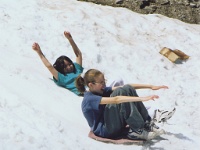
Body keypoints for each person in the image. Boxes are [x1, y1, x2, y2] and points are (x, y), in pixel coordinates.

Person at [75, 69, 170, 140]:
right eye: (101, 82)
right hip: (106, 130)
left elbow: (126, 87)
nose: (104, 84)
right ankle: (137, 130)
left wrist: (151, 86)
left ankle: (146, 122)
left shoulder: (100, 90)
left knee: (126, 88)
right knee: (119, 92)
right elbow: (116, 99)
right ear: (91, 85)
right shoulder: (89, 99)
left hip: (112, 123)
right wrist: (143, 98)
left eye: (104, 81)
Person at [32, 31, 84, 96]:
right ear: (61, 69)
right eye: (65, 67)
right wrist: (39, 52)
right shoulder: (62, 78)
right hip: (85, 93)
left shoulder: (76, 69)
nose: (69, 67)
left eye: (70, 64)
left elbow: (78, 54)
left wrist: (70, 39)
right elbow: (49, 66)